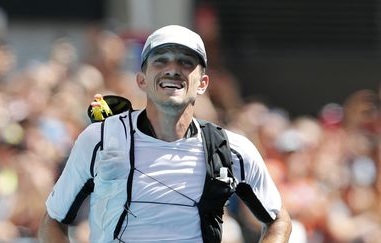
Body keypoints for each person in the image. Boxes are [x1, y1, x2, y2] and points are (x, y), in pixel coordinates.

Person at [38, 25, 292, 243]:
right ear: (141, 80)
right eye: (160, 60)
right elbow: (52, 220)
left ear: (203, 83)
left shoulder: (232, 148)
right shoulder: (100, 139)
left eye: (186, 62)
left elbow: (279, 220)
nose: (173, 69)